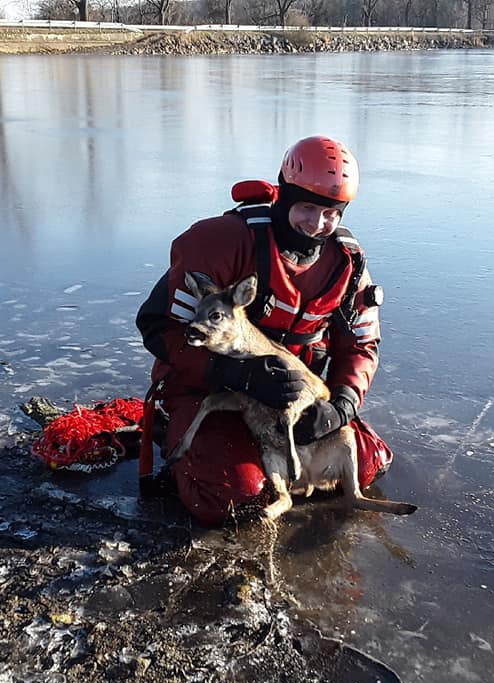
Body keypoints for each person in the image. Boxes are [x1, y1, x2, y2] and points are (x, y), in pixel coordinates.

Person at [136, 135, 392, 525]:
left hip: (290, 401)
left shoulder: (347, 263)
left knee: (369, 462)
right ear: (284, 197)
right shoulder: (224, 242)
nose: (317, 225)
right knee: (234, 495)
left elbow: (361, 345)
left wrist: (340, 406)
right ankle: (184, 438)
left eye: (331, 213)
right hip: (209, 389)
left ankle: (270, 458)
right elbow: (159, 327)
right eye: (306, 208)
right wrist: (233, 372)